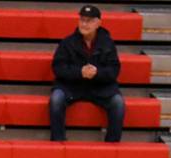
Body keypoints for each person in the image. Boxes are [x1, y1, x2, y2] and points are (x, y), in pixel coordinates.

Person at [50, 5, 124, 143]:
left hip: (100, 87)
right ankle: (58, 142)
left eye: (89, 21)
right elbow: (58, 67)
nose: (84, 24)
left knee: (118, 103)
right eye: (82, 20)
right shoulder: (67, 42)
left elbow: (114, 70)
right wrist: (79, 72)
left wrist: (97, 73)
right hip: (72, 86)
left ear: (98, 23)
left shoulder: (108, 43)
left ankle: (112, 145)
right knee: (56, 98)